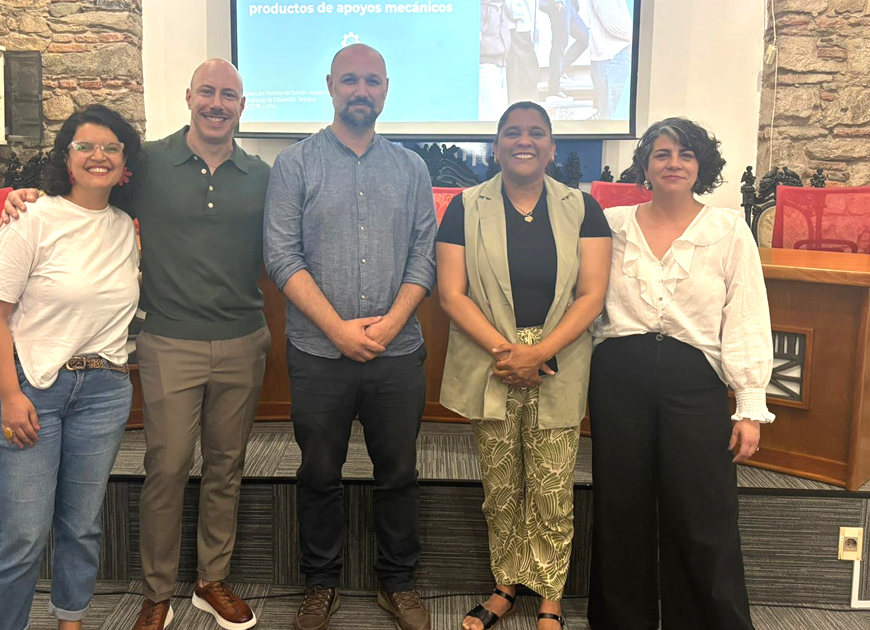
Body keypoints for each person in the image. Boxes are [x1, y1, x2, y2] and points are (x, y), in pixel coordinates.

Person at [2, 59, 271, 630]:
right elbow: (87, 194)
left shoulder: (261, 174)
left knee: (226, 466)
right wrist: (28, 193)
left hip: (244, 340)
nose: (217, 103)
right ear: (189, 98)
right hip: (170, 341)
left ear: (243, 105)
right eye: (207, 92)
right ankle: (156, 592)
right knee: (167, 468)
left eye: (229, 95)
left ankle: (211, 580)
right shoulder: (147, 166)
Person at [263, 43, 437, 630]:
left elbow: (423, 257)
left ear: (385, 89)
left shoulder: (411, 168)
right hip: (318, 354)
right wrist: (337, 330)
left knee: (399, 473)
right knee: (318, 473)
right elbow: (281, 255)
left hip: (397, 350)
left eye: (372, 82)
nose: (360, 91)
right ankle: (320, 583)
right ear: (330, 86)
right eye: (350, 81)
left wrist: (390, 324)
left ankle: (398, 582)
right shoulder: (296, 164)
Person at [587, 117, 772, 630]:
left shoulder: (729, 229)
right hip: (619, 377)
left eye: (685, 155)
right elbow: (583, 298)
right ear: (645, 164)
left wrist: (749, 405)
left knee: (703, 511)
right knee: (621, 507)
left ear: (701, 166)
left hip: (695, 383)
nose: (673, 163)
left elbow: (747, 315)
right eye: (662, 153)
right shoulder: (612, 221)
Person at [437, 101, 611, 630]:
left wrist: (539, 352)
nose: (524, 141)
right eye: (512, 132)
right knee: (502, 485)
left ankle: (550, 594)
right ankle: (506, 584)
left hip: (558, 361)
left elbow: (592, 294)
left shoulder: (583, 208)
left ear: (553, 147)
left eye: (537, 133)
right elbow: (451, 293)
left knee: (553, 485)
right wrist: (508, 353)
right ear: (496, 146)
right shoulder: (465, 206)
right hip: (491, 361)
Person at [0, 104, 142, 630]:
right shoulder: (31, 217)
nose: (98, 156)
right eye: (85, 146)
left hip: (103, 391)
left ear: (125, 163)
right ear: (66, 159)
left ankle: (71, 620)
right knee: (22, 534)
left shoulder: (127, 228)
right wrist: (9, 394)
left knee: (82, 524)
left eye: (111, 147)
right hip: (28, 389)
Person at [587, 0, 633, 118]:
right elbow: (614, 24)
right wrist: (640, 35)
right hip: (612, 58)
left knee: (609, 117)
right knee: (610, 118)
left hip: (611, 58)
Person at [541, 0, 588, 99]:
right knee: (560, 43)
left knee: (584, 37)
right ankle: (554, 88)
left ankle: (560, 70)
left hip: (570, 4)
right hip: (559, 4)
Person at [479, 0, 513, 121]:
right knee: (492, 118)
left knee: (500, 118)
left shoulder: (501, 5)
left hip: (501, 62)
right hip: (485, 63)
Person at [506, 0, 541, 103]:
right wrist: (521, 20)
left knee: (524, 74)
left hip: (523, 26)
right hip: (519, 28)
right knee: (525, 75)